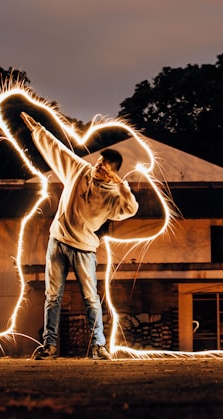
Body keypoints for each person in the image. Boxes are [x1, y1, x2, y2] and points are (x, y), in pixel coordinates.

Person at [21, 112, 139, 360]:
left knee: (90, 299)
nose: (96, 167)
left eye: (103, 167)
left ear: (112, 173)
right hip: (58, 241)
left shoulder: (112, 198)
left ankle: (98, 346)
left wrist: (121, 185)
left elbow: (131, 209)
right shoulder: (79, 170)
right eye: (98, 163)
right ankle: (49, 345)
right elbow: (59, 151)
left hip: (84, 249)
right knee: (52, 296)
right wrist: (38, 130)